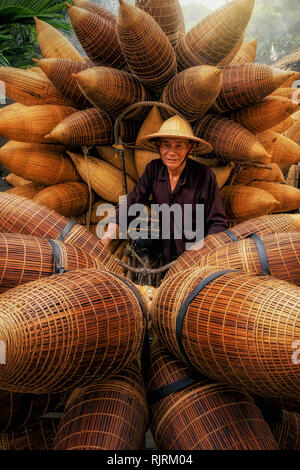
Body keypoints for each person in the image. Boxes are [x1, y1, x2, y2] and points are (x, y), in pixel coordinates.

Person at [101, 114, 228, 265]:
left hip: (196, 256)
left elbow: (218, 222)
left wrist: (200, 253)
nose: (172, 152)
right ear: (158, 147)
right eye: (166, 145)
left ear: (190, 148)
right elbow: (134, 201)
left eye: (179, 145)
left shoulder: (204, 175)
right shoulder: (154, 169)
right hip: (167, 249)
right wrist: (108, 235)